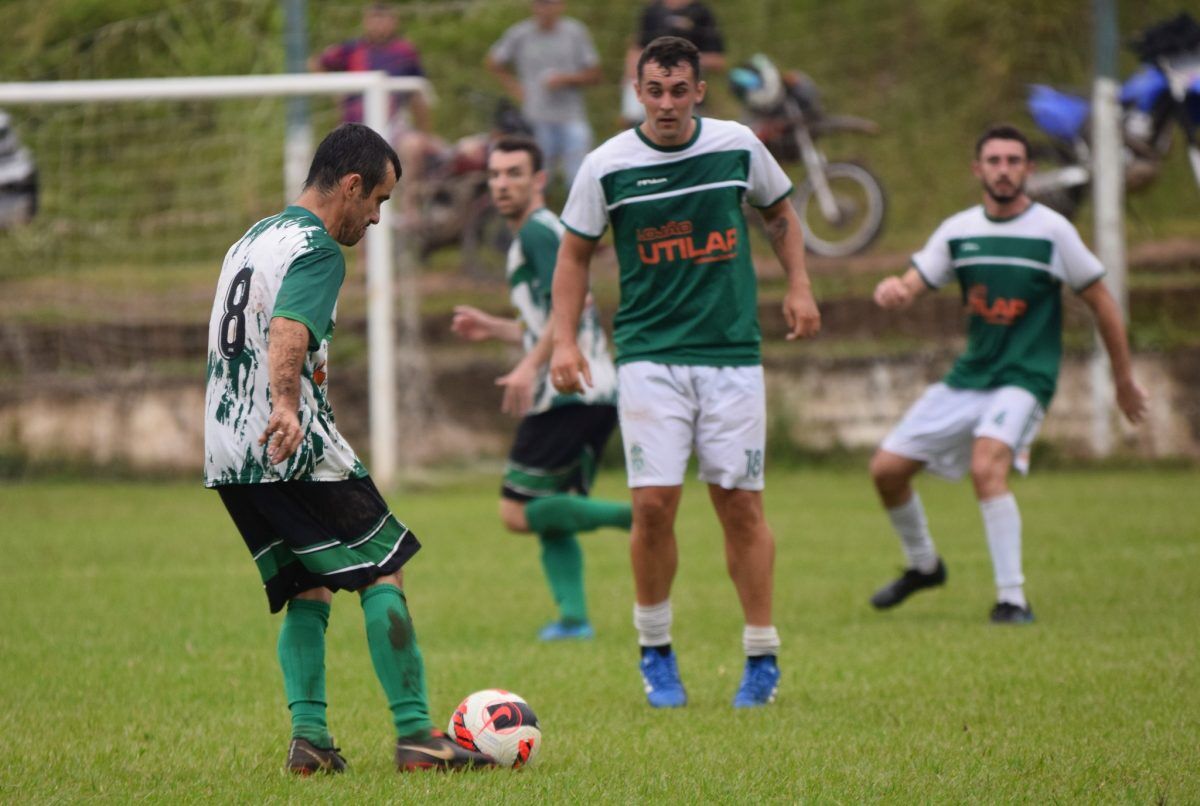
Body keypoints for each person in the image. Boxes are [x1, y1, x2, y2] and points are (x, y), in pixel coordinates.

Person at [203, 123, 496, 774]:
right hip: (288, 439)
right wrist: (285, 404)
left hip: (228, 450)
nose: (376, 219)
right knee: (383, 568)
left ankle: (310, 742)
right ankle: (418, 736)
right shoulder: (316, 249)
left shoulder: (253, 238)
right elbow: (287, 331)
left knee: (309, 584)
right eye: (379, 203)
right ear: (352, 185)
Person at [548, 37, 821, 709]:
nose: (666, 104)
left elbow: (779, 214)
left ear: (699, 91)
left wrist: (800, 286)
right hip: (648, 354)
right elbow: (574, 256)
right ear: (637, 93)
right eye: (654, 91)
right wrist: (563, 342)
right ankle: (655, 652)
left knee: (740, 505)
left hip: (730, 352)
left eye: (679, 91)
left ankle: (761, 656)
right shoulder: (606, 165)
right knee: (651, 503)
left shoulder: (737, 145)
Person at [866, 124, 1149, 624]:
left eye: (1014, 161)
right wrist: (896, 289)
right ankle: (924, 565)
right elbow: (915, 281)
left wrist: (1124, 379)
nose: (1003, 170)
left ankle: (1012, 599)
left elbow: (1102, 302)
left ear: (1028, 170)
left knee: (986, 467)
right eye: (993, 161)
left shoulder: (1053, 232)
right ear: (978, 170)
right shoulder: (959, 230)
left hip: (1026, 376)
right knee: (886, 471)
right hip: (970, 376)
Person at [450, 136, 630, 641]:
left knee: (516, 511)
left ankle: (639, 516)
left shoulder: (537, 232)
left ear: (539, 180)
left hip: (571, 390)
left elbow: (575, 303)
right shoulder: (537, 233)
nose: (502, 184)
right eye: (495, 174)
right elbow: (553, 318)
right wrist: (498, 328)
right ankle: (574, 620)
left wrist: (529, 366)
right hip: (585, 389)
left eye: (514, 173)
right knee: (552, 514)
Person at [310, 2, 433, 220]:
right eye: (374, 19)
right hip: (356, 127)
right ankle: (340, 216)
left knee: (415, 147)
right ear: (366, 21)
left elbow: (418, 93)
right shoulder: (351, 50)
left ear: (394, 21)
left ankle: (409, 210)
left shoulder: (404, 51)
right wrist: (337, 93)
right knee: (346, 168)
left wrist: (425, 132)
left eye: (383, 19)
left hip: (393, 124)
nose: (379, 25)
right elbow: (316, 63)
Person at [485, 0, 602, 193]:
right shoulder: (520, 34)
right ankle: (542, 220)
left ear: (561, 5)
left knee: (579, 179)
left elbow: (595, 74)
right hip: (536, 117)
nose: (544, 9)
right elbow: (494, 61)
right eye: (540, 3)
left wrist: (566, 79)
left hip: (571, 116)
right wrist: (515, 87)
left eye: (549, 3)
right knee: (538, 180)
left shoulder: (575, 32)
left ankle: (579, 221)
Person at [620, 0, 725, 126]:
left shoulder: (701, 12)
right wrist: (629, 89)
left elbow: (718, 61)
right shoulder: (652, 11)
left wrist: (682, 58)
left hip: (689, 104)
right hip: (646, 105)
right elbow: (637, 48)